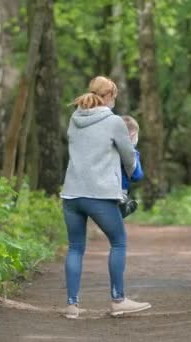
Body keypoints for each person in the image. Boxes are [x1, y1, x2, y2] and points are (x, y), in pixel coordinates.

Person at [60, 76, 152, 319]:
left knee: (76, 247)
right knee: (119, 242)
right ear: (109, 96)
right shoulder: (114, 122)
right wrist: (134, 174)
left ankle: (71, 306)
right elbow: (129, 156)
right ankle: (118, 300)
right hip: (99, 194)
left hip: (71, 193)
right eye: (115, 97)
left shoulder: (74, 118)